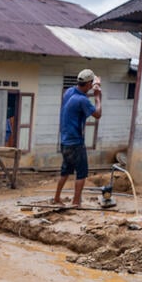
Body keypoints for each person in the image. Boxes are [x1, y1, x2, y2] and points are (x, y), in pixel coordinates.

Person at [53, 68, 103, 207]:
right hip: (75, 142)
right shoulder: (82, 100)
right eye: (91, 83)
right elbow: (98, 114)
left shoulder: (69, 92)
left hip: (64, 141)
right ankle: (76, 202)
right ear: (88, 84)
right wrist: (98, 97)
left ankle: (57, 198)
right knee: (81, 173)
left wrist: (93, 87)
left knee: (65, 170)